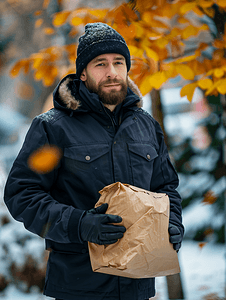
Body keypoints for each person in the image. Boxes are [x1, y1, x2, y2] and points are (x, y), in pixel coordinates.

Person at [4, 23, 184, 300]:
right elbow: (22, 195)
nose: (112, 72)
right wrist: (79, 225)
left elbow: (166, 187)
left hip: (139, 284)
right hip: (78, 286)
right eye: (101, 64)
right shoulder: (53, 127)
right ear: (83, 72)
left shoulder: (146, 125)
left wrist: (172, 223)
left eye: (119, 62)